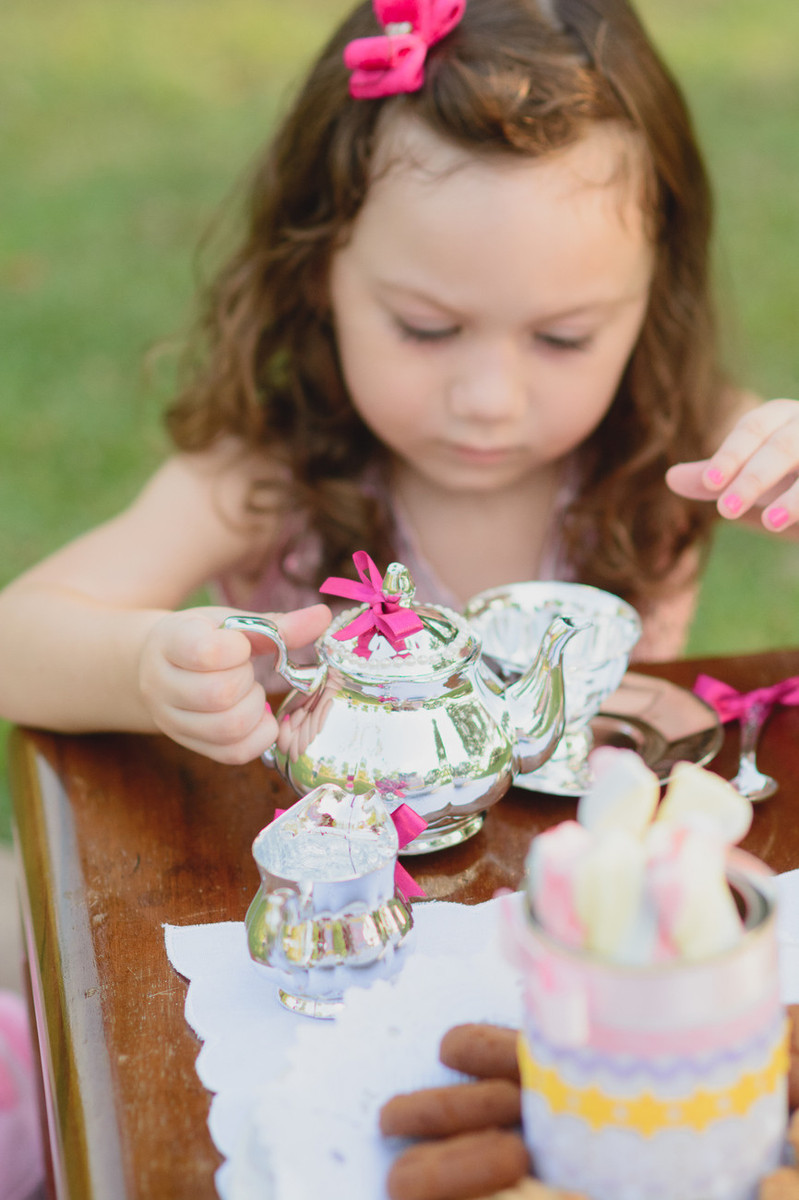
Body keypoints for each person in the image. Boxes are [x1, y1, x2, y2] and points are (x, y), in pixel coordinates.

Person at [0, 0, 797, 768]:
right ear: (317, 270)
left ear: (652, 295)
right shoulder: (264, 480)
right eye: (426, 328)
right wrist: (144, 667)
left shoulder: (689, 444)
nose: (489, 398)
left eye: (563, 338)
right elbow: (17, 641)